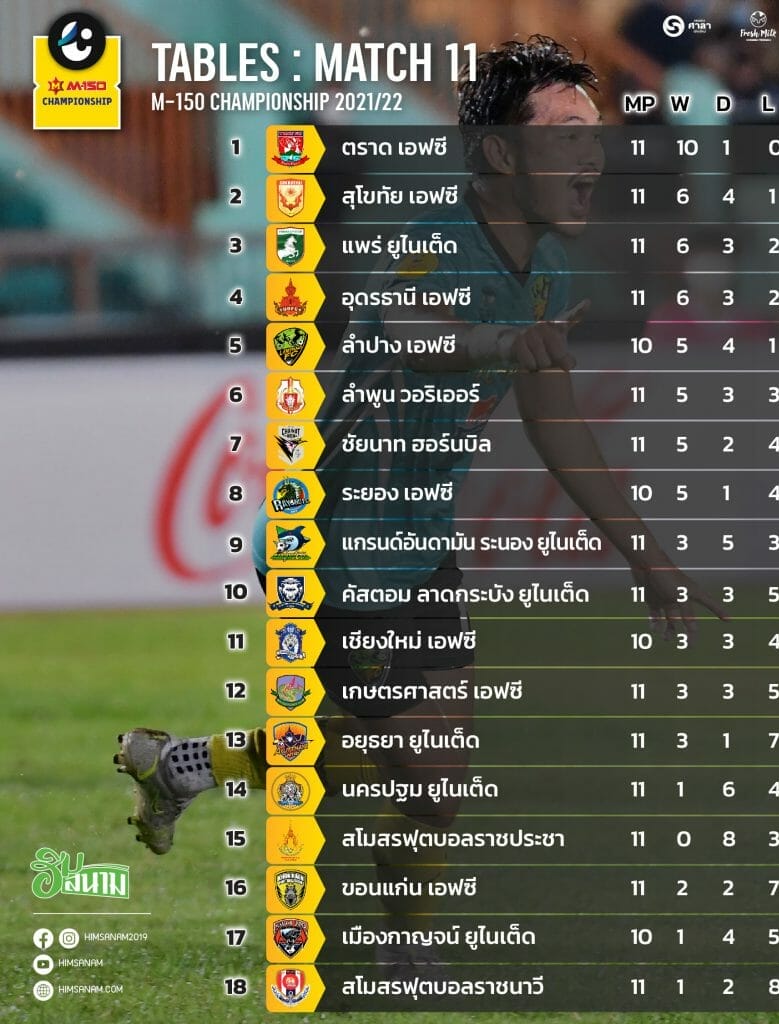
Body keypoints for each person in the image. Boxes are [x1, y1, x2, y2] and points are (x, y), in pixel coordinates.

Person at [115, 34, 725, 982]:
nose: (589, 155)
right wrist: (499, 342)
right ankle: (398, 946)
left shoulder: (549, 270)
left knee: (426, 768)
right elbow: (410, 326)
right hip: (336, 540)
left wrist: (645, 554)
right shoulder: (434, 237)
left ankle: (193, 772)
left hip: (417, 543)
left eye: (593, 135)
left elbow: (557, 425)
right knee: (419, 762)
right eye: (563, 134)